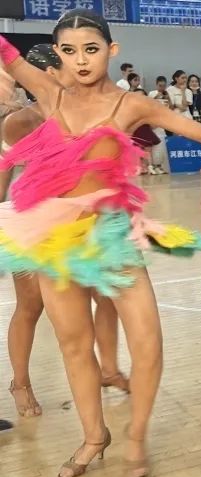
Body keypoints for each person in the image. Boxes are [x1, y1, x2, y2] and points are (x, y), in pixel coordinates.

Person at [0, 10, 201, 477]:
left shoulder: (131, 104)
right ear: (59, 54)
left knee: (147, 342)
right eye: (69, 51)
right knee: (73, 345)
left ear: (112, 50)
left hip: (111, 235)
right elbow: (6, 52)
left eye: (91, 49)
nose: (80, 61)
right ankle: (94, 436)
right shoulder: (49, 93)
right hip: (56, 240)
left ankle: (136, 437)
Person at [1, 43, 132, 421]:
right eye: (67, 68)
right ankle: (20, 382)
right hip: (34, 223)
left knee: (106, 292)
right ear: (47, 75)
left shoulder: (85, 111)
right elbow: (4, 173)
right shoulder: (21, 121)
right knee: (31, 306)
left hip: (82, 222)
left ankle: (109, 369)